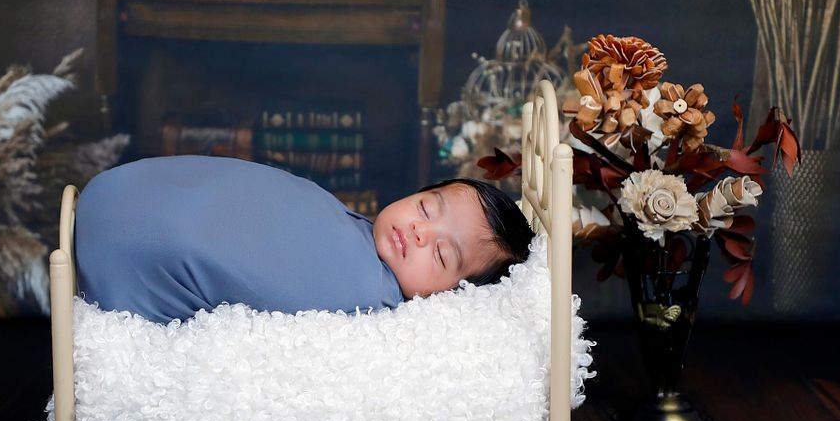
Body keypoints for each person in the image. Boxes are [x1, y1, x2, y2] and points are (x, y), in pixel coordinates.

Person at [74, 155, 533, 324]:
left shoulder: (367, 296)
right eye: (427, 208)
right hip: (125, 208)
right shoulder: (351, 229)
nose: (419, 230)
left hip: (117, 225)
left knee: (191, 240)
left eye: (441, 253)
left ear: (451, 299)